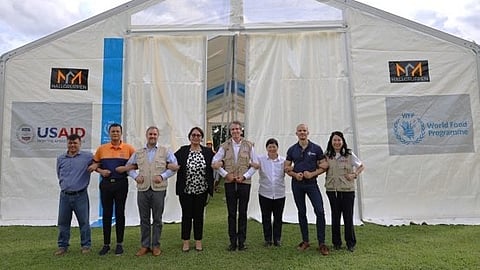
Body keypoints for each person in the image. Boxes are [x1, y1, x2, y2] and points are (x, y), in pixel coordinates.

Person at [123, 126, 178, 257]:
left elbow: (174, 167)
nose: (152, 136)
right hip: (143, 189)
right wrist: (135, 176)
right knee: (144, 219)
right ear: (146, 135)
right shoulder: (139, 152)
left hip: (158, 189)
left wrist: (162, 176)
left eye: (154, 134)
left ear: (157, 136)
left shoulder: (165, 151)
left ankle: (156, 246)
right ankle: (145, 245)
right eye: (150, 134)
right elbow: (128, 167)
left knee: (158, 219)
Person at [89, 123, 135, 256]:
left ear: (121, 133)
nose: (115, 133)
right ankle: (106, 244)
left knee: (120, 213)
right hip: (106, 184)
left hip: (121, 184)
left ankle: (119, 244)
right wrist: (101, 171)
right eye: (113, 131)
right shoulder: (102, 149)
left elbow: (137, 164)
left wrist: (125, 169)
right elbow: (94, 164)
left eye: (117, 131)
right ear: (109, 134)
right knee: (107, 214)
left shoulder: (128, 148)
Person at [284, 123, 330, 255]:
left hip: (311, 184)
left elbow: (324, 166)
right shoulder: (292, 149)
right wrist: (294, 174)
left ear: (308, 132)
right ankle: (305, 241)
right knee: (301, 212)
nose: (302, 133)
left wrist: (312, 174)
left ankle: (322, 243)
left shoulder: (316, 148)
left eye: (304, 130)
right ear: (296, 133)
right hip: (297, 184)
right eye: (300, 131)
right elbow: (286, 167)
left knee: (320, 211)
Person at [212, 120, 258, 251]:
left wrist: (245, 176)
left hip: (244, 183)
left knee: (242, 212)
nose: (235, 131)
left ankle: (242, 242)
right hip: (230, 183)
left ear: (241, 130)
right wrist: (226, 174)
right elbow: (214, 162)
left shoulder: (249, 145)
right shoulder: (224, 146)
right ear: (230, 131)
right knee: (231, 213)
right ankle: (232, 242)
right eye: (233, 129)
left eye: (237, 129)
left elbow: (255, 164)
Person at [174, 127, 215, 252]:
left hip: (201, 191)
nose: (196, 137)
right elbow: (171, 159)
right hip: (186, 190)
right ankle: (185, 241)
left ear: (201, 137)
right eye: (193, 135)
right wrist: (171, 165)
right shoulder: (183, 151)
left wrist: (221, 163)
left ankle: (198, 241)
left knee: (198, 216)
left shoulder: (207, 152)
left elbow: (219, 159)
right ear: (190, 137)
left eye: (198, 135)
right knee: (186, 216)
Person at [54, 134, 95, 256]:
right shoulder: (61, 158)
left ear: (80, 144)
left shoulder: (87, 157)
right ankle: (62, 246)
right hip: (65, 196)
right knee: (63, 223)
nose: (72, 145)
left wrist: (95, 166)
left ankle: (86, 245)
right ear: (67, 144)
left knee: (84, 222)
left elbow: (98, 163)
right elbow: (59, 174)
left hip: (80, 195)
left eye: (75, 143)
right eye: (70, 143)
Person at [324, 131, 364, 252]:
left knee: (348, 217)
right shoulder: (327, 155)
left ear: (342, 142)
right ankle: (336, 243)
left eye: (339, 140)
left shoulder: (349, 154)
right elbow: (319, 166)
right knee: (335, 217)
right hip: (332, 190)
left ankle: (350, 243)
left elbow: (361, 166)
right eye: (334, 140)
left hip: (347, 191)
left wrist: (354, 174)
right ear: (331, 142)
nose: (337, 142)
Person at [256, 138, 286, 247]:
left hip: (279, 193)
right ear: (266, 148)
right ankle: (268, 239)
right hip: (265, 193)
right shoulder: (261, 159)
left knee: (278, 217)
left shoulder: (283, 160)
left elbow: (291, 169)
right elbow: (251, 162)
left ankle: (277, 239)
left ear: (277, 148)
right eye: (270, 147)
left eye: (274, 146)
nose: (272, 149)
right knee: (266, 217)